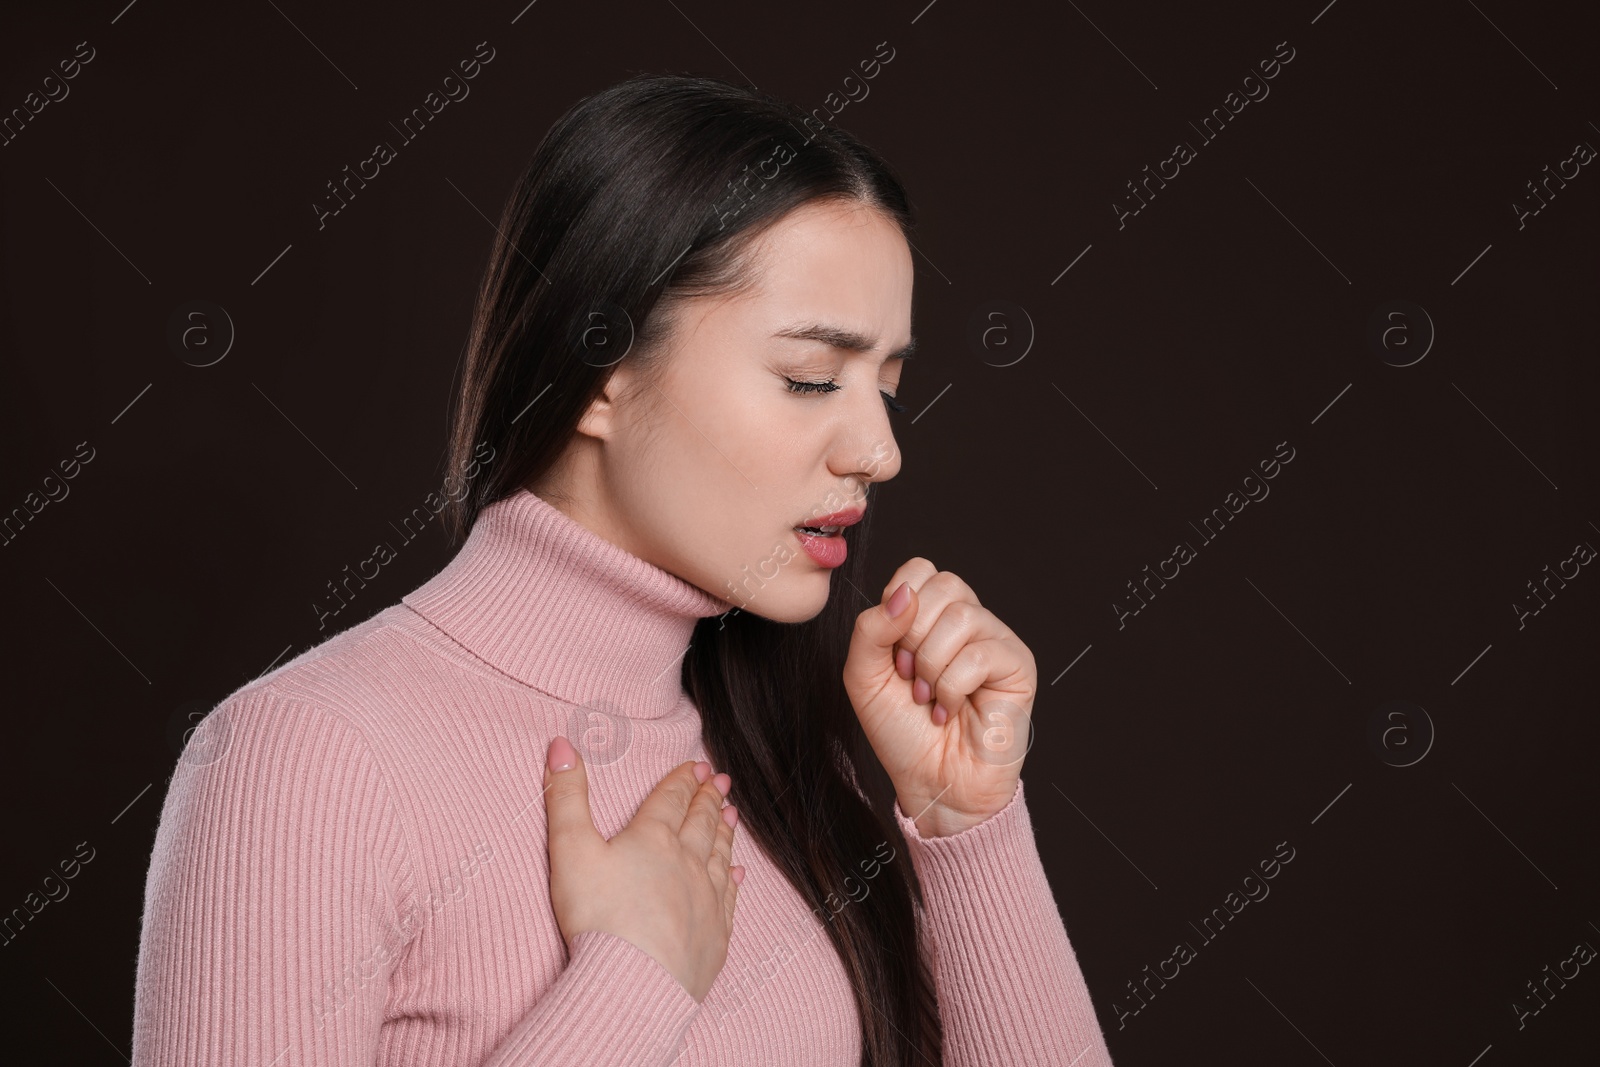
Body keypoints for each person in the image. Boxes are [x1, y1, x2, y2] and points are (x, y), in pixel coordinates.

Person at [131, 73, 1116, 1066]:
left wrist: (967, 825)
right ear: (600, 367)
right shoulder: (303, 758)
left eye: (888, 388)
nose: (879, 449)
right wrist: (633, 980)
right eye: (810, 377)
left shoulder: (785, 764)